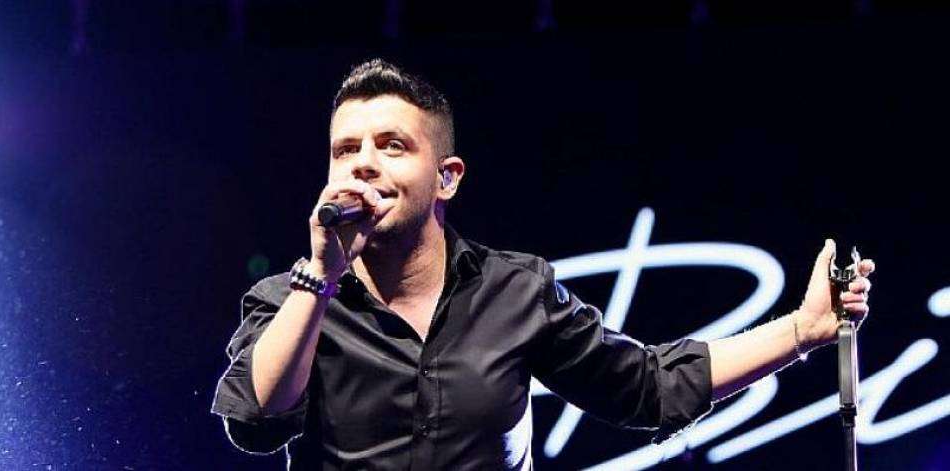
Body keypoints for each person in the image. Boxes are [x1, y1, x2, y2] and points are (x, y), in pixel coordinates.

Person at [210, 59, 875, 470]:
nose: (362, 163)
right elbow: (256, 422)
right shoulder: (291, 300)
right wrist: (321, 278)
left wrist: (801, 330)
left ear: (446, 177)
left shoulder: (515, 290)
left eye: (391, 146)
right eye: (344, 149)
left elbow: (647, 387)